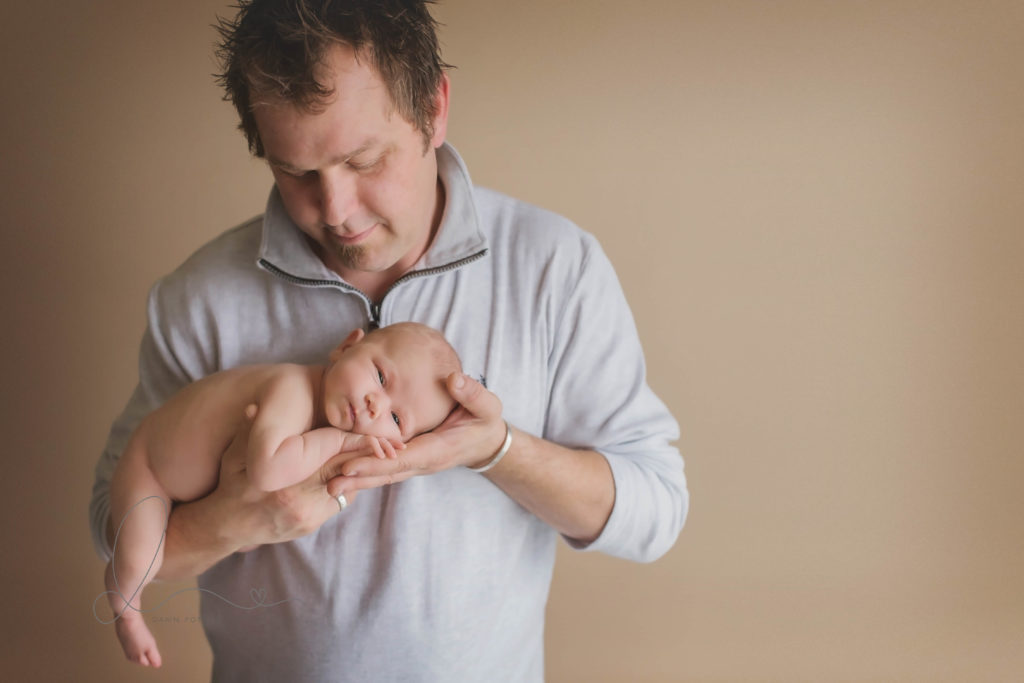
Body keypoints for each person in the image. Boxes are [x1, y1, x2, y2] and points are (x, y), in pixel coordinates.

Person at [89, 1, 689, 680]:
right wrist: (236, 518)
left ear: (434, 109)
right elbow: (113, 525)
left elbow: (657, 512)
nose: (337, 211)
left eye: (365, 160)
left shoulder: (554, 268)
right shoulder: (199, 298)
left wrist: (496, 449)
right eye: (297, 172)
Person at [102, 322, 458, 668]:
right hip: (150, 471)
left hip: (186, 486)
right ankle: (126, 609)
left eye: (395, 420)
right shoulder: (293, 388)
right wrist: (338, 442)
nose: (375, 405)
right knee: (139, 559)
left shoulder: (316, 413)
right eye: (380, 376)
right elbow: (267, 472)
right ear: (347, 347)